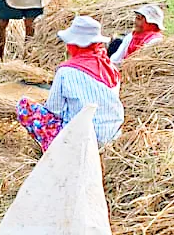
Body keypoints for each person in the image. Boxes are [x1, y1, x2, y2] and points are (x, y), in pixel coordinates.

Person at [16, 16, 124, 150]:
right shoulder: (111, 68)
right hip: (110, 137)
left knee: (24, 106)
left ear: (74, 45)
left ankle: (55, 151)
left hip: (80, 139)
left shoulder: (66, 71)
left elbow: (54, 110)